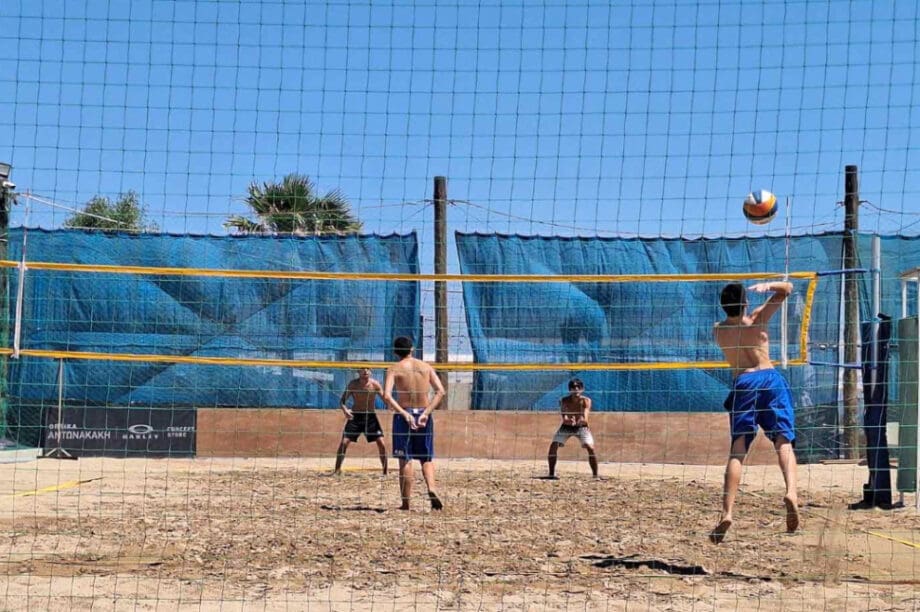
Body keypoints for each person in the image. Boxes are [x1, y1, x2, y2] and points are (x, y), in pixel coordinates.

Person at [710, 281, 800, 544]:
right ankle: (791, 492)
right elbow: (788, 290)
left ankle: (727, 513)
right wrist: (769, 285)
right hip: (769, 378)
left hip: (744, 383)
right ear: (745, 302)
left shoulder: (718, 331)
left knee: (738, 450)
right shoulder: (757, 320)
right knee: (783, 440)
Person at [383, 336, 446, 511]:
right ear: (412, 349)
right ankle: (432, 489)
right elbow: (441, 391)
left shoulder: (394, 368)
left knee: (406, 459)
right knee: (426, 458)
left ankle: (406, 503)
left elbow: (387, 396)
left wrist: (403, 413)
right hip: (424, 414)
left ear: (395, 352)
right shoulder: (425, 367)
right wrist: (426, 413)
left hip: (405, 415)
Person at [334, 368, 387, 475]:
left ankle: (385, 472)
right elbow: (342, 401)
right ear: (358, 372)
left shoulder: (375, 384)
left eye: (368, 369)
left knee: (381, 443)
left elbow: (386, 398)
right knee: (344, 443)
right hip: (355, 417)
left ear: (371, 371)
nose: (365, 371)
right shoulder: (353, 384)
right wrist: (345, 411)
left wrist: (395, 406)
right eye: (362, 369)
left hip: (370, 417)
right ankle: (337, 470)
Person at [546, 378, 599, 479]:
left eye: (578, 387)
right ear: (570, 389)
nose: (576, 389)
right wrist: (568, 421)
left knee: (590, 448)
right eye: (573, 387)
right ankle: (551, 474)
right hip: (567, 427)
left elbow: (585, 417)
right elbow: (564, 416)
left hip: (582, 427)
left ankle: (595, 475)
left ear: (582, 389)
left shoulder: (586, 400)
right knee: (553, 445)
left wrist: (581, 421)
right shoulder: (564, 400)